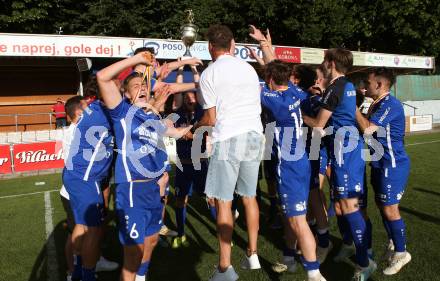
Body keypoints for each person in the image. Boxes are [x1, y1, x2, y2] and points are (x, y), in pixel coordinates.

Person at [96, 51, 193, 281]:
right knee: (133, 252)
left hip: (153, 189)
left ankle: (141, 276)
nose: (141, 88)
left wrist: (203, 126)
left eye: (144, 85)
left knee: (151, 240)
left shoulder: (152, 117)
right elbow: (102, 77)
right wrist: (136, 61)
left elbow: (177, 132)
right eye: (136, 85)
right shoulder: (122, 113)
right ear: (127, 94)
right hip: (132, 190)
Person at [196, 24, 264, 281]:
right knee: (249, 196)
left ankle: (225, 267)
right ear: (233, 44)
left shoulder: (209, 74)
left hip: (228, 137)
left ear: (210, 47)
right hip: (254, 134)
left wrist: (195, 127)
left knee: (223, 201)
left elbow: (211, 119)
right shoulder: (247, 68)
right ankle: (253, 253)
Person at [302, 48, 376, 281]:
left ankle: (365, 262)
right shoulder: (346, 85)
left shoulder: (336, 88)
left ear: (331, 63)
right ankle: (360, 252)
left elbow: (317, 125)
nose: (322, 64)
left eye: (325, 60)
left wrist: (296, 114)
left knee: (350, 208)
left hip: (346, 154)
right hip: (345, 152)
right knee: (344, 208)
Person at [262, 60, 326, 281]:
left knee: (298, 221)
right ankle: (289, 256)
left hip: (287, 166)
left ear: (270, 79)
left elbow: (255, 88)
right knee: (292, 215)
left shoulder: (273, 100)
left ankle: (313, 271)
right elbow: (280, 79)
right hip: (302, 161)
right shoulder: (297, 93)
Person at [356, 68, 411, 275]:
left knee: (390, 209)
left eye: (368, 82)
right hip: (379, 163)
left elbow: (368, 128)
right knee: (382, 206)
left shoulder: (390, 104)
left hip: (392, 164)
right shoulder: (376, 103)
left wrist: (352, 108)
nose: (365, 85)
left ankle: (401, 252)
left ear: (379, 85)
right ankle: (392, 243)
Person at [60, 96, 118, 281]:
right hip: (82, 182)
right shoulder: (80, 128)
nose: (90, 109)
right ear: (78, 112)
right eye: (86, 106)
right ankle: (79, 272)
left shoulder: (76, 128)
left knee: (82, 227)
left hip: (75, 183)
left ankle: (80, 267)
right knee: (85, 229)